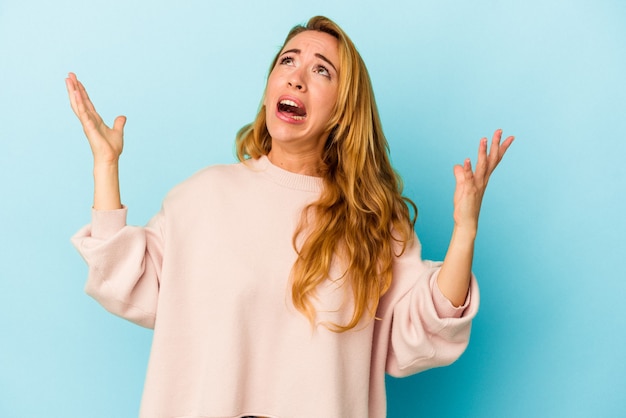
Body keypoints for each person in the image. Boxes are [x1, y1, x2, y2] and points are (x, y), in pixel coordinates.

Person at [67, 15, 513, 418]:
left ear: (342, 110)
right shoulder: (202, 197)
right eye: (288, 61)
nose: (297, 77)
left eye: (322, 70)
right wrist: (106, 166)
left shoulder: (372, 221)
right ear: (268, 92)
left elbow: (420, 332)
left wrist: (465, 231)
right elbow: (127, 279)